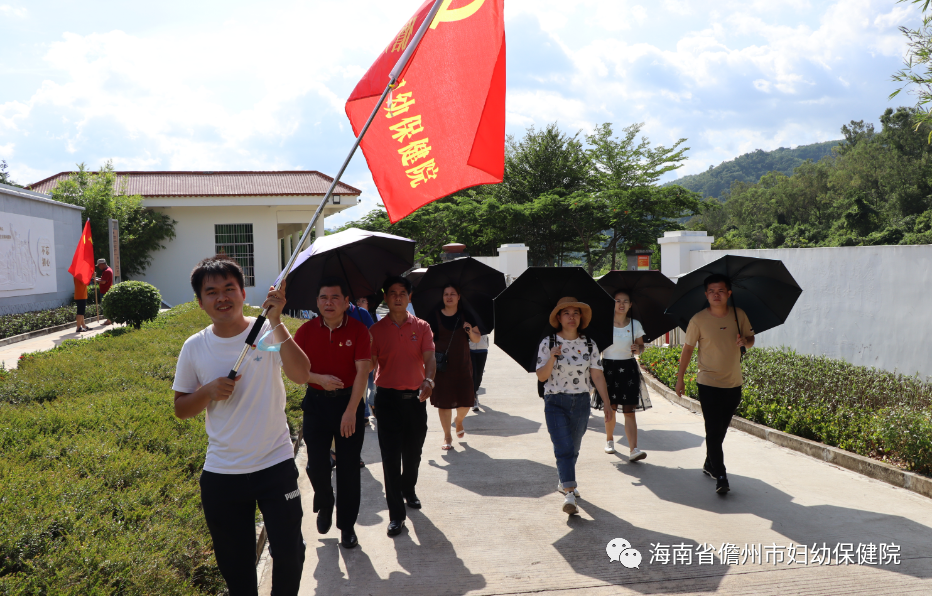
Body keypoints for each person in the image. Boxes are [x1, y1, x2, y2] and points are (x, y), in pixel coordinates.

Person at [172, 255, 309, 596]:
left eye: (229, 288)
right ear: (200, 302)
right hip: (222, 474)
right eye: (212, 291)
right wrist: (207, 392)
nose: (222, 297)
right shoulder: (195, 347)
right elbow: (181, 408)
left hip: (274, 466)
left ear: (243, 293)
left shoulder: (267, 331)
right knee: (235, 566)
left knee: (291, 553)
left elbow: (302, 374)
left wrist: (277, 321)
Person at [293, 276, 371, 549]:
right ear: (316, 302)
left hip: (348, 404)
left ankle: (347, 526)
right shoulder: (305, 331)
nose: (329, 303)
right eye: (323, 298)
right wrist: (318, 378)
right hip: (315, 404)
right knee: (316, 465)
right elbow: (293, 369)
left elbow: (363, 372)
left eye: (335, 297)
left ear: (346, 302)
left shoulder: (360, 330)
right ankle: (325, 502)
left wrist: (352, 411)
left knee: (349, 468)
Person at [675, 273, 755, 495]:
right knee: (712, 430)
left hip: (733, 382)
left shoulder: (739, 315)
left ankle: (710, 463)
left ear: (729, 293)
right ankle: (721, 475)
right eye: (711, 291)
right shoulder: (698, 320)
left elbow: (751, 339)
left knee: (720, 430)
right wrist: (680, 378)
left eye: (720, 291)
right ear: (706, 295)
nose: (715, 295)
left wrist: (744, 342)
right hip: (708, 382)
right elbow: (688, 349)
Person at [369, 276, 436, 537]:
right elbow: (371, 363)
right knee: (390, 458)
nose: (397, 297)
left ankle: (409, 489)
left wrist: (429, 380)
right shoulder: (375, 331)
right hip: (386, 401)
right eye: (392, 293)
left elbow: (429, 358)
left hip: (415, 401)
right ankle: (396, 515)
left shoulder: (422, 327)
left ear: (409, 297)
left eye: (402, 293)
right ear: (386, 298)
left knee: (413, 455)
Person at [536, 296, 610, 516]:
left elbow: (597, 375)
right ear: (558, 317)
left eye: (575, 313)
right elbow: (541, 376)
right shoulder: (548, 343)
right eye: (566, 313)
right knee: (564, 448)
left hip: (581, 402)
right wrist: (551, 357)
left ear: (581, 318)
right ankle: (570, 492)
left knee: (573, 448)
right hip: (555, 401)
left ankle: (563, 480)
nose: (571, 317)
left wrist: (606, 402)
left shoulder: (589, 344)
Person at [597, 290, 651, 460]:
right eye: (617, 300)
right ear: (612, 303)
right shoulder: (604, 324)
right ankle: (609, 440)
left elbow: (641, 347)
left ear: (630, 305)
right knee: (611, 408)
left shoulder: (635, 324)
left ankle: (633, 449)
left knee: (629, 411)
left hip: (628, 368)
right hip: (608, 368)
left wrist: (638, 349)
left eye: (625, 301)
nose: (621, 304)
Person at [428, 284, 480, 450]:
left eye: (452, 294)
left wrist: (470, 331)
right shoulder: (434, 316)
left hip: (463, 365)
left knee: (466, 401)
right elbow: (428, 340)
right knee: (443, 403)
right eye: (445, 294)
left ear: (459, 297)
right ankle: (447, 436)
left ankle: (458, 421)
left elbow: (477, 338)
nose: (448, 297)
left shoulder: (467, 315)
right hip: (442, 367)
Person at [356, 296, 379, 430]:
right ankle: (365, 414)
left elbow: (375, 334)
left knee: (373, 386)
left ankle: (372, 403)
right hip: (360, 359)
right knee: (363, 385)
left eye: (363, 301)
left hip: (371, 356)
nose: (359, 303)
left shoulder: (369, 316)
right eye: (358, 300)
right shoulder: (350, 314)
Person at [469, 333, 490, 412]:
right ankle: (474, 397)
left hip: (483, 348)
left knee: (479, 374)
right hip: (469, 348)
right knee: (473, 374)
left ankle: (475, 391)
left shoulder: (484, 321)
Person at [94, 258, 114, 325]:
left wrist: (96, 280)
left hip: (105, 291)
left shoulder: (107, 271)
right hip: (106, 290)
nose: (99, 267)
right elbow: (103, 279)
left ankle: (108, 320)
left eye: (99, 265)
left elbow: (103, 282)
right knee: (106, 306)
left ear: (102, 264)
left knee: (105, 306)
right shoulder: (107, 270)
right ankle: (109, 319)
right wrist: (97, 279)